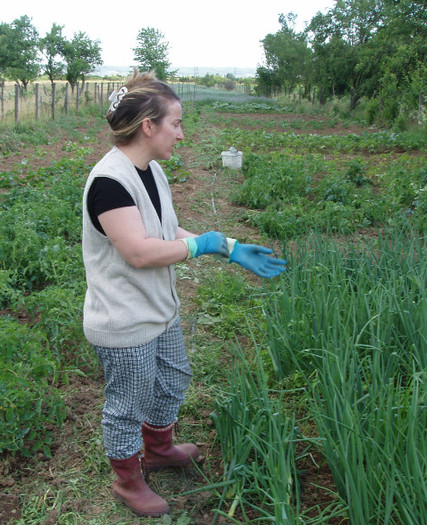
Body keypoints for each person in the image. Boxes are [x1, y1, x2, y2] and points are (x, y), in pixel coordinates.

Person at [81, 70, 286, 517]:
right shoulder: (109, 183)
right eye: (175, 123)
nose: (182, 133)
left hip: (158, 309)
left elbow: (163, 229)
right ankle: (128, 480)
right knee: (126, 404)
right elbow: (137, 250)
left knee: (174, 377)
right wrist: (203, 244)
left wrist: (226, 247)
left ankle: (158, 447)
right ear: (148, 126)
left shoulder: (151, 170)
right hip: (124, 319)